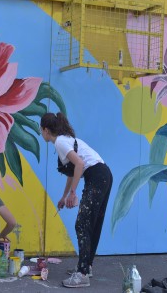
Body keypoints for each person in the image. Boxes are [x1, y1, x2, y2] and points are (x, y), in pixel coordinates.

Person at [40, 112, 113, 288]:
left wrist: (73, 194)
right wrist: (64, 197)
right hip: (104, 175)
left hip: (97, 176)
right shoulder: (65, 139)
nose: (41, 133)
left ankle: (81, 274)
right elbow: (73, 173)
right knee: (92, 224)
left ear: (46, 130)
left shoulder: (60, 142)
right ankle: (86, 266)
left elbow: (79, 164)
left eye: (41, 130)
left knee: (82, 224)